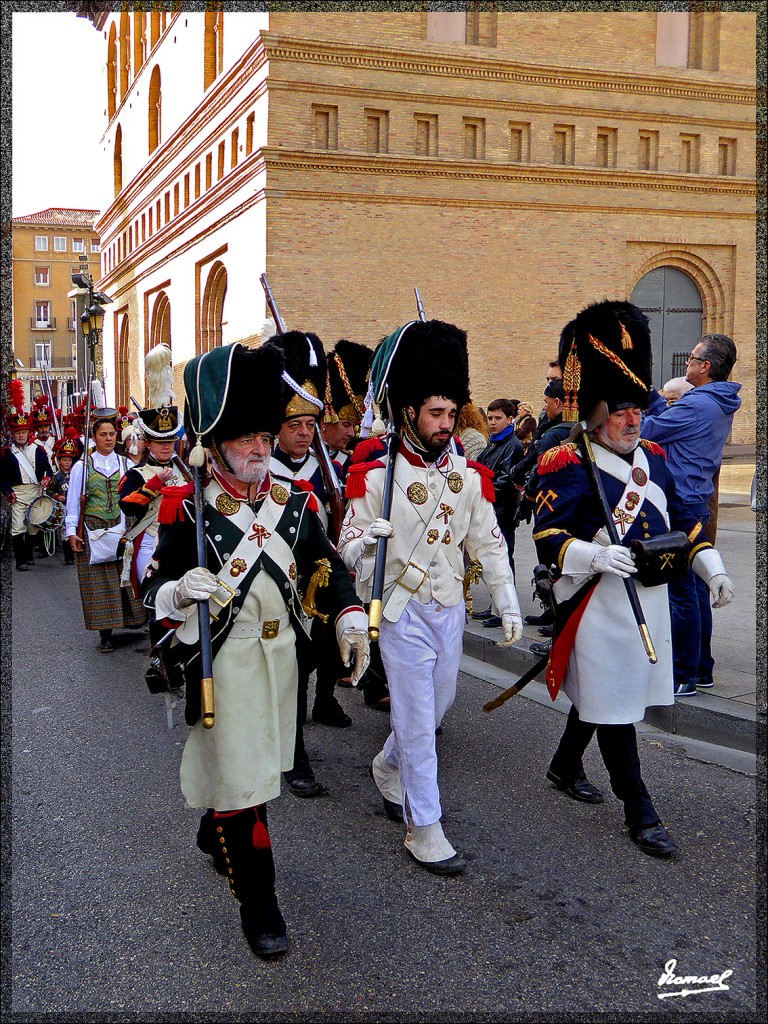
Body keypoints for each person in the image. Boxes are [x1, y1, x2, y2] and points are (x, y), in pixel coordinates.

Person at [141, 341, 369, 959]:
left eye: (266, 438)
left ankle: (214, 827)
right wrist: (176, 590)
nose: (262, 450)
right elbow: (153, 586)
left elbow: (326, 565)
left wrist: (349, 614)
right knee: (245, 784)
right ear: (217, 442)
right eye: (249, 439)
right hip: (224, 659)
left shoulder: (293, 503)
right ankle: (260, 905)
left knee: (258, 775)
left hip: (285, 663)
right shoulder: (186, 506)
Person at [533, 300, 734, 858]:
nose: (632, 420)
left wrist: (709, 563)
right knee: (617, 706)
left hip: (647, 600)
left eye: (637, 410)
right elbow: (546, 535)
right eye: (619, 411)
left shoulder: (655, 458)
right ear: (596, 413)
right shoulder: (567, 462)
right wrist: (590, 556)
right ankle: (639, 809)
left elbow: (684, 519)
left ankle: (564, 763)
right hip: (596, 604)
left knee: (609, 695)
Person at [339, 319, 523, 875]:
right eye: (435, 414)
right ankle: (426, 827)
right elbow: (346, 541)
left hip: (448, 610)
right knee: (418, 721)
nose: (447, 425)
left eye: (451, 413)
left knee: (436, 708)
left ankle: (388, 765)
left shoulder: (469, 479)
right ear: (409, 414)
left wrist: (507, 600)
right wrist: (363, 548)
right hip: (399, 610)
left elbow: (489, 544)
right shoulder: (373, 476)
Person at [264, 329, 345, 790]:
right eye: (295, 425)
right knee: (293, 662)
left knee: (327, 647)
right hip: (280, 579)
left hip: (324, 569)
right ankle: (293, 755)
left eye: (310, 426)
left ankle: (326, 701)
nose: (303, 433)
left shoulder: (326, 467)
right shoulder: (262, 470)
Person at [640, 334, 741, 697]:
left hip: (680, 504)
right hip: (696, 500)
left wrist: (648, 400)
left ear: (706, 367)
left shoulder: (698, 404)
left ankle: (683, 673)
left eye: (692, 358)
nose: (688, 363)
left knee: (681, 590)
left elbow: (648, 430)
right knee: (698, 589)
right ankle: (701, 667)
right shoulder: (717, 401)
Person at [314, 339, 374, 718]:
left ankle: (324, 700)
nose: (353, 431)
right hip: (305, 555)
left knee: (331, 634)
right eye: (348, 423)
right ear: (329, 418)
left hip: (339, 556)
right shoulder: (310, 461)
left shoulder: (346, 462)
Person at [65, 411, 147, 652]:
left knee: (125, 576)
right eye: (103, 435)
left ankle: (134, 621)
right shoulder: (82, 467)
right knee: (100, 583)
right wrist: (72, 531)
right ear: (94, 437)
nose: (109, 439)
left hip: (123, 526)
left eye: (112, 434)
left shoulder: (126, 464)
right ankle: (105, 633)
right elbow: (73, 502)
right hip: (93, 528)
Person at [119, 344, 188, 608]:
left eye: (170, 440)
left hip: (184, 540)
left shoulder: (185, 470)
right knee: (156, 603)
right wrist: (155, 485)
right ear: (147, 443)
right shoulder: (136, 474)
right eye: (160, 441)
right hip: (151, 540)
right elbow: (127, 506)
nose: (166, 446)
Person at [472, 398, 525, 626]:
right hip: (491, 508)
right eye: (490, 418)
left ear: (510, 419)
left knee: (503, 558)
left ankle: (506, 608)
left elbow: (505, 479)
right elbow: (481, 469)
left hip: (502, 510)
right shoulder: (493, 443)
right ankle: (495, 605)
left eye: (498, 418)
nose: (492, 423)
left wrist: (482, 493)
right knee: (490, 559)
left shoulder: (512, 445)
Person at [1, 384, 53, 572]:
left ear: (28, 432)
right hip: (18, 492)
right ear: (13, 434)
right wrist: (8, 492)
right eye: (17, 433)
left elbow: (48, 470)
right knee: (17, 527)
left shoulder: (37, 450)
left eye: (23, 432)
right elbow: (3, 477)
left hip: (35, 491)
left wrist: (47, 479)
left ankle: (29, 555)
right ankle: (20, 560)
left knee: (33, 527)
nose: (21, 436)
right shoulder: (7, 453)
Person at [49, 435, 80, 565]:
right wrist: (57, 496)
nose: (67, 463)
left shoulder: (76, 474)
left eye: (69, 460)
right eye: (64, 460)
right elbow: (49, 491)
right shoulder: (56, 477)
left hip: (75, 505)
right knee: (65, 531)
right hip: (63, 507)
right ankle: (69, 557)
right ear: (59, 461)